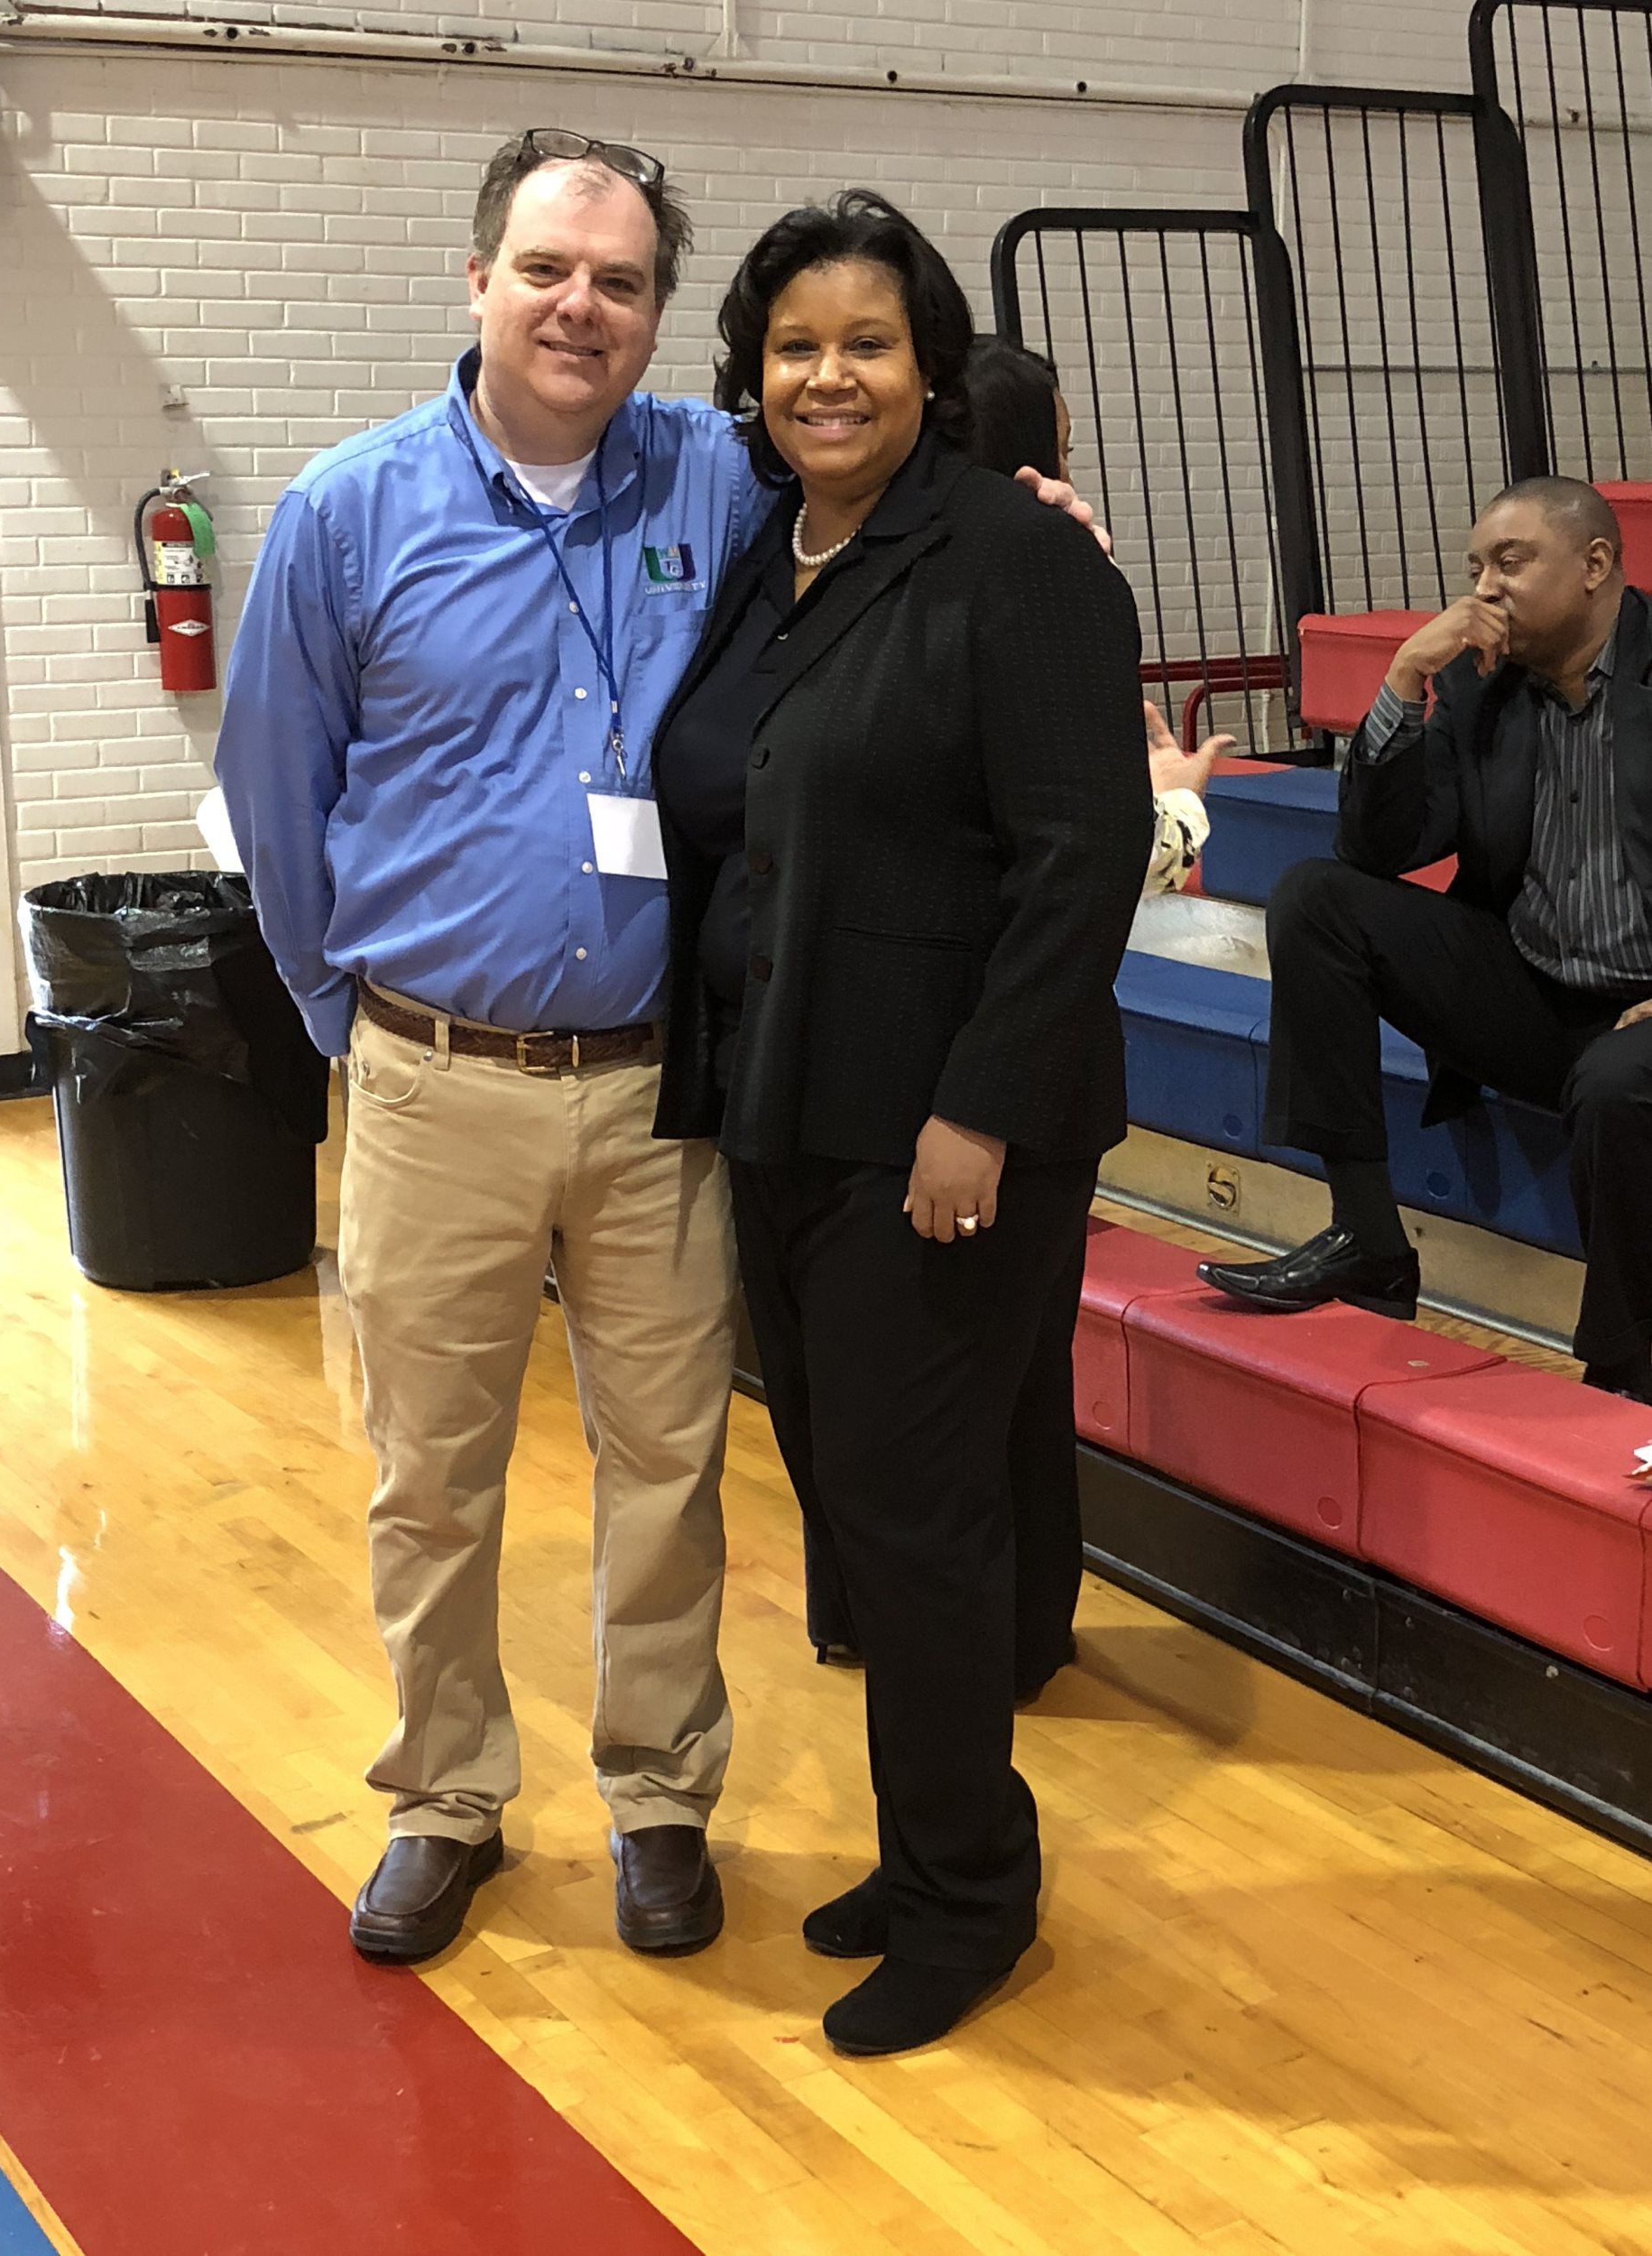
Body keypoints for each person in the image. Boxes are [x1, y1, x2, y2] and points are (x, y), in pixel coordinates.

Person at [216, 129, 1107, 1970]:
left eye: (619, 283)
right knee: (431, 1474)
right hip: (430, 1070)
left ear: (651, 319)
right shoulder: (347, 511)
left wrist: (1036, 515)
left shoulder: (717, 476)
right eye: (547, 268)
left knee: (670, 1464)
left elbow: (909, 504)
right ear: (477, 277)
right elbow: (272, 802)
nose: (578, 307)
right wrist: (352, 1031)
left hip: (659, 1083)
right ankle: (445, 1793)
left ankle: (657, 1792)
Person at [651, 190, 1152, 2056]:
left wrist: (978, 1112)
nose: (827, 373)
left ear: (928, 367)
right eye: (794, 346)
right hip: (780, 1100)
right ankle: (926, 1839)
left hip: (937, 1134)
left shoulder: (1017, 567)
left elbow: (1081, 852)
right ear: (753, 375)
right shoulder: (772, 555)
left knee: (922, 1523)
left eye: (864, 341)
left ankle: (969, 1896)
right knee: (859, 1509)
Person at [798, 332, 1226, 1695]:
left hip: (984, 1066)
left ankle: (959, 1631)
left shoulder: (934, 568)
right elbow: (1096, 846)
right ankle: (993, 1630)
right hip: (984, 1052)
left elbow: (1071, 850)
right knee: (983, 1385)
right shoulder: (1033, 564)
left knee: (941, 1387)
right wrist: (1180, 799)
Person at [1199, 478, 1652, 1406]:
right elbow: (1376, 849)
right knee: (1317, 899)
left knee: (1615, 1085)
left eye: (1511, 563)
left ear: (1596, 565)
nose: (1484, 589)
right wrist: (1403, 678)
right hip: (1532, 992)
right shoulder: (1477, 687)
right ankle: (1368, 1239)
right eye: (1476, 566)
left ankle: (1625, 1368)